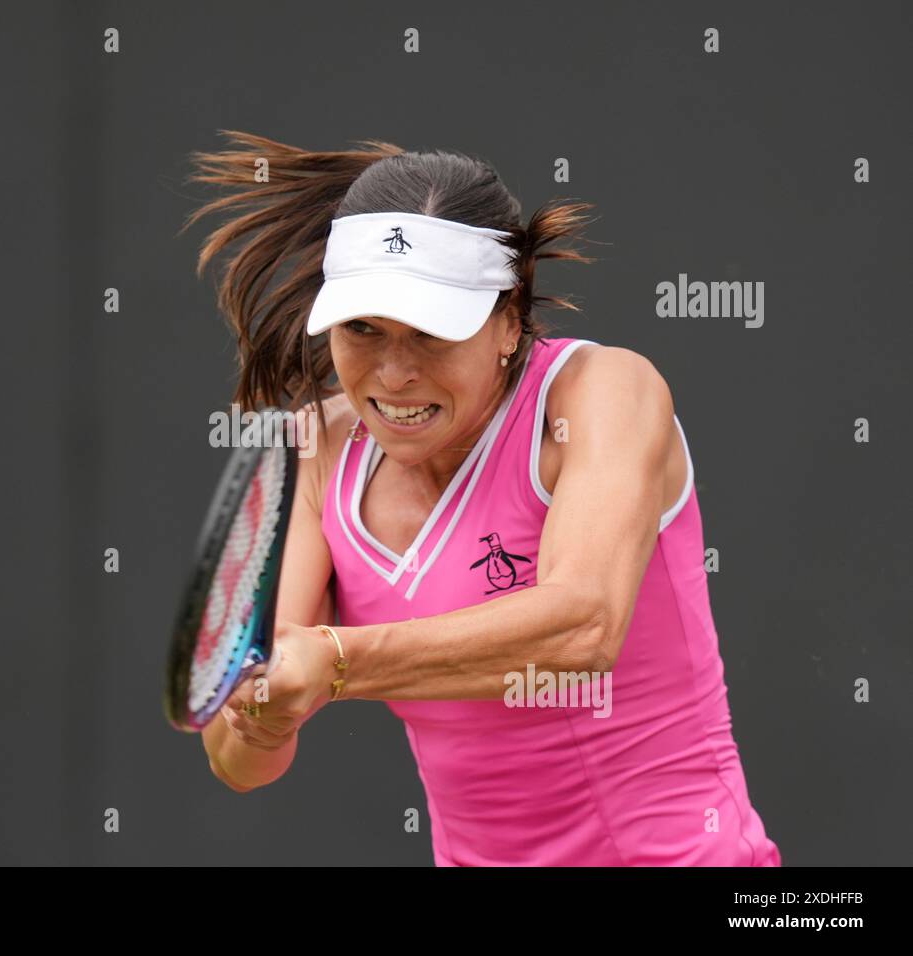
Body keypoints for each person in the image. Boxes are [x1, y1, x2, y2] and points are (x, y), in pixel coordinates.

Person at [186, 130, 781, 866]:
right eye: (362, 329)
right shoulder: (314, 454)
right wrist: (261, 722)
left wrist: (336, 660)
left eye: (432, 333)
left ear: (508, 322)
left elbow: (582, 630)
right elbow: (238, 763)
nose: (393, 373)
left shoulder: (605, 392)